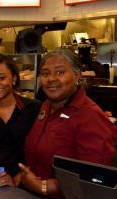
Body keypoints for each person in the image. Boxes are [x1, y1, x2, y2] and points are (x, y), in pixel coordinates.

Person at [19, 48, 117, 198]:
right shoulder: (46, 105)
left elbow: (94, 177)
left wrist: (44, 187)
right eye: (45, 73)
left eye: (60, 72)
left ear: (77, 75)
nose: (51, 78)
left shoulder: (90, 116)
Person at [0, 54, 41, 187]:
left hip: (26, 179)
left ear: (14, 78)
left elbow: (39, 149)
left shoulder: (33, 108)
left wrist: (17, 178)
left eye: (1, 78)